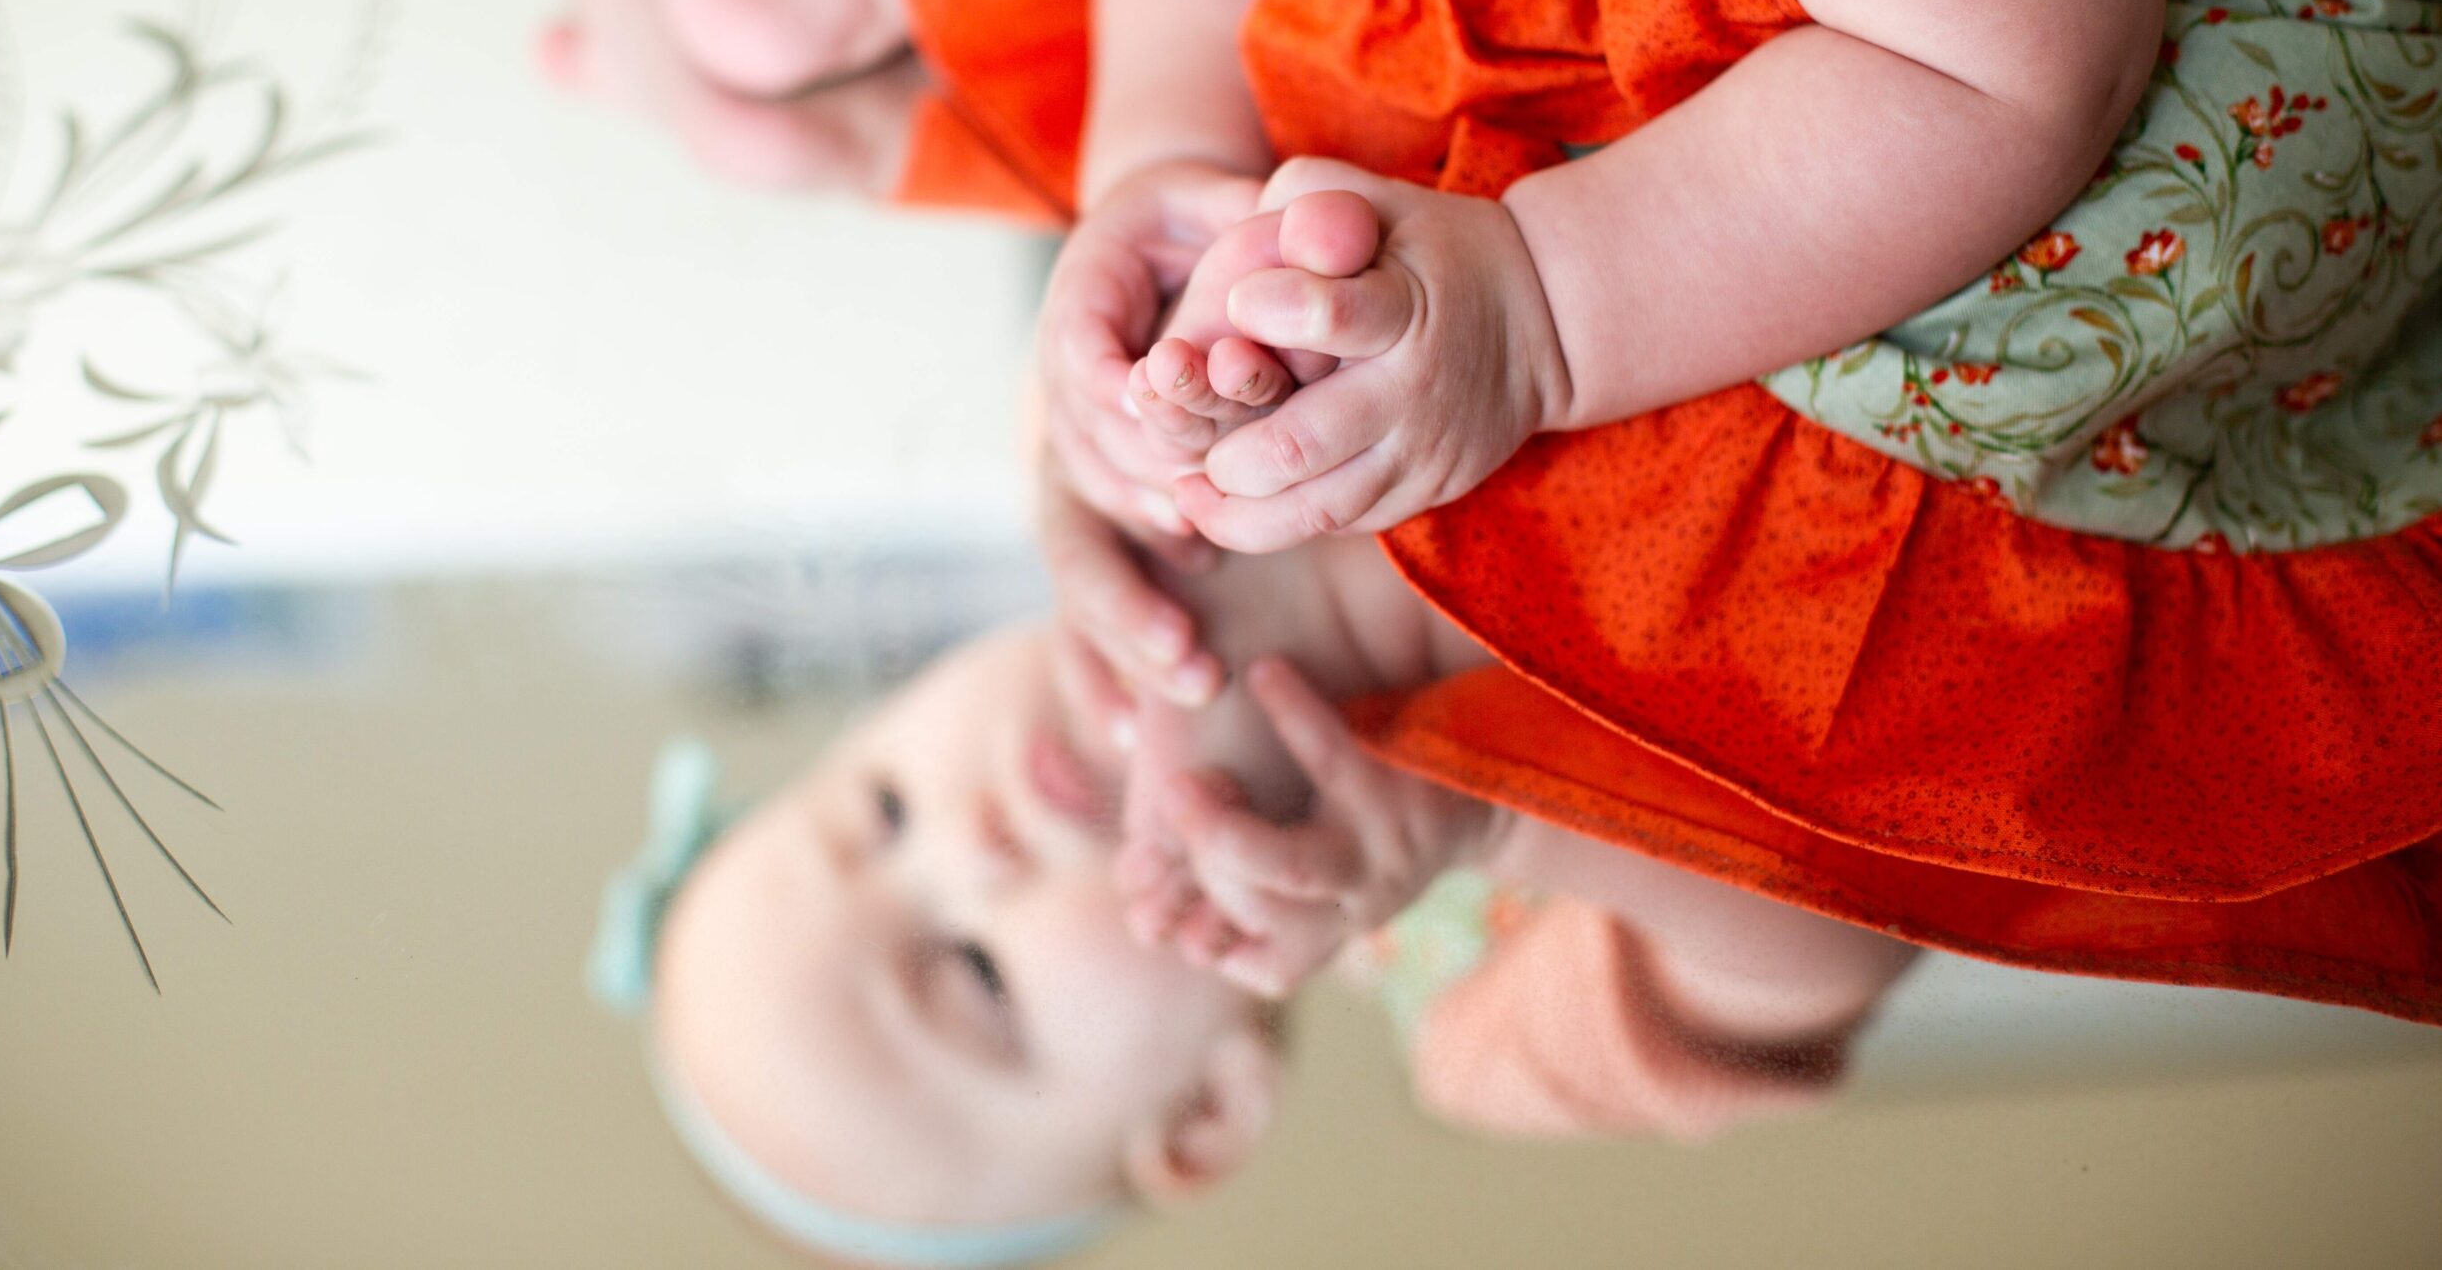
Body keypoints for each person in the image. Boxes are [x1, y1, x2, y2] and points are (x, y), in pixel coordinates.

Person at [517, 0, 2442, 1025]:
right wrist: (1147, 174)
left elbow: (2002, 73)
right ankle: (844, 0)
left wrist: (1535, 308)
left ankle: (853, 1)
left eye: (880, 820)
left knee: (1836, 369)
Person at [589, 496, 1915, 1265]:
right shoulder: (1485, 1019)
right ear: (1205, 1114)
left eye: (884, 808)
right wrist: (1479, 827)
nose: (970, 841)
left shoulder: (1142, 506)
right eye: (978, 976)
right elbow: (1842, 934)